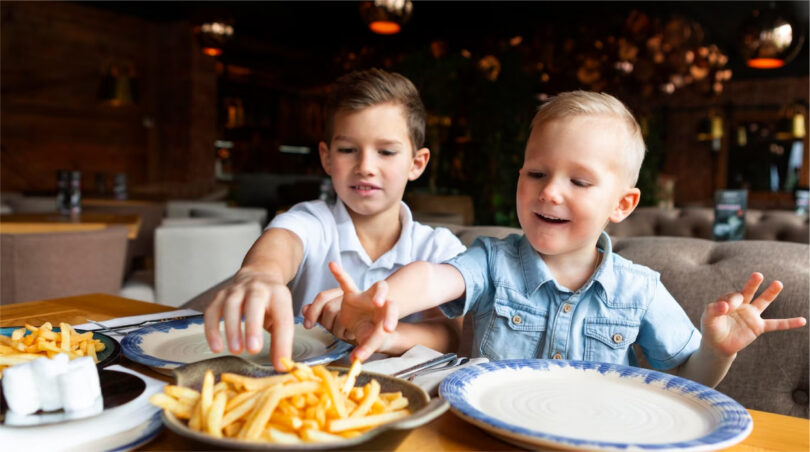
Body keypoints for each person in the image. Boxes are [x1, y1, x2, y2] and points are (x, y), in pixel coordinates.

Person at [310, 90, 807, 388]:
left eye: (579, 181)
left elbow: (687, 379)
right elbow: (435, 278)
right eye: (537, 172)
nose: (549, 192)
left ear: (622, 205)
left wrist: (719, 351)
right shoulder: (492, 260)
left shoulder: (640, 290)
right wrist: (385, 298)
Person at [204, 68, 466, 370]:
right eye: (348, 150)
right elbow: (283, 243)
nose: (365, 166)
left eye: (386, 151)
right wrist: (259, 274)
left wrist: (380, 336)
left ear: (416, 164)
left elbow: (454, 332)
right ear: (327, 158)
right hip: (304, 394)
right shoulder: (313, 222)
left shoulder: (437, 248)